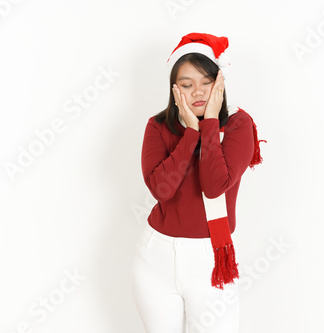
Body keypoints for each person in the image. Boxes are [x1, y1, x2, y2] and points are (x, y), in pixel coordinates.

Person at [131, 32, 266, 333]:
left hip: (210, 259)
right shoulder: (158, 126)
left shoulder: (239, 125)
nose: (198, 92)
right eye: (187, 84)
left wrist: (209, 125)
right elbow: (161, 190)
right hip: (156, 256)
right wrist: (190, 133)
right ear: (174, 89)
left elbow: (215, 185)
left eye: (207, 82)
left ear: (221, 83)